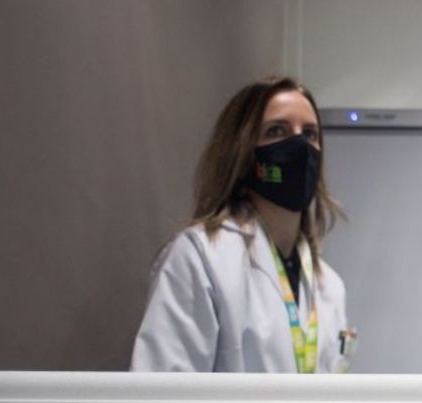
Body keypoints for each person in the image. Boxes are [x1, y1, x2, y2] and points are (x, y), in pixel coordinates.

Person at [131, 76, 353, 373]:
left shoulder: (330, 285)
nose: (300, 145)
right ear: (244, 151)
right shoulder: (200, 257)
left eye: (310, 134)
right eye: (277, 130)